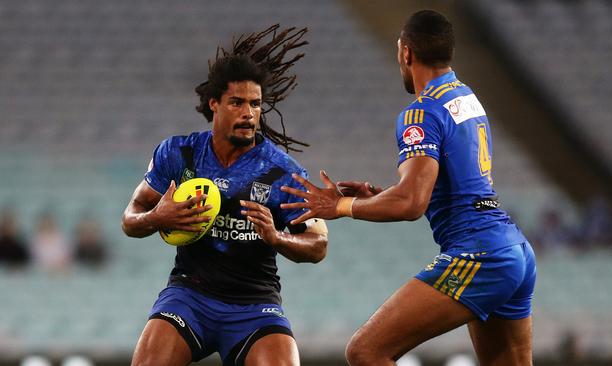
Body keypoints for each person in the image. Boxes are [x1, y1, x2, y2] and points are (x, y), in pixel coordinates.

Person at [280, 10, 536, 366]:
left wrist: (338, 206)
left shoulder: (422, 112)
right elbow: (449, 186)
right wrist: (383, 193)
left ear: (406, 53)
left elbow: (412, 203)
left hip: (479, 253)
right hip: (514, 249)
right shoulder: (465, 97)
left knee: (366, 350)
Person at [121, 25, 328, 366]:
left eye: (256, 104)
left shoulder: (283, 172)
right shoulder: (179, 153)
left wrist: (276, 237)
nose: (249, 113)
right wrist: (159, 216)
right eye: (237, 102)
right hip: (190, 295)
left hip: (255, 305)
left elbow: (318, 245)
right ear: (214, 103)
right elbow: (130, 219)